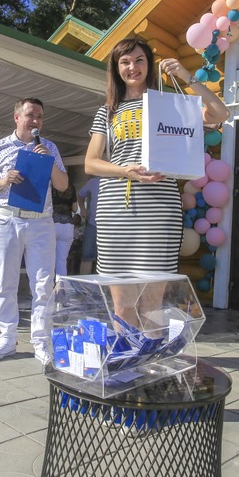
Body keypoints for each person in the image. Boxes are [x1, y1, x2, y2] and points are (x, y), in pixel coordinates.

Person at [84, 39, 229, 325]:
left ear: (148, 64)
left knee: (152, 303)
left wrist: (188, 77)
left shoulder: (170, 104)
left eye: (139, 60)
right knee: (123, 303)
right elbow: (91, 163)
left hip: (159, 210)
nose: (132, 67)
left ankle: (149, 361)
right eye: (125, 62)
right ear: (116, 68)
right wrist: (127, 171)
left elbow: (221, 113)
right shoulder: (107, 111)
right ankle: (125, 360)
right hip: (117, 210)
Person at [0, 98, 68, 364]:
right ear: (16, 117)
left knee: (43, 285)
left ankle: (41, 342)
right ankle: (6, 340)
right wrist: (4, 180)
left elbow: (62, 185)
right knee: (5, 282)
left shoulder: (49, 147)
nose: (36, 121)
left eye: (40, 116)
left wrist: (49, 162)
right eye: (30, 115)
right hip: (7, 219)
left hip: (41, 221)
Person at [51, 181, 78, 278]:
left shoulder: (49, 184)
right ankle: (61, 289)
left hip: (51, 224)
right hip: (67, 226)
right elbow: (75, 209)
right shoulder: (70, 186)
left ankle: (48, 289)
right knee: (62, 260)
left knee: (46, 260)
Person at [77, 177, 100, 274]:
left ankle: (107, 287)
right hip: (92, 224)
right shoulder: (94, 181)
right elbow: (80, 195)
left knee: (110, 258)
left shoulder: (120, 180)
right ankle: (84, 287)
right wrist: (82, 209)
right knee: (87, 256)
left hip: (112, 226)